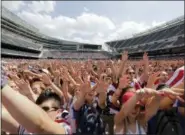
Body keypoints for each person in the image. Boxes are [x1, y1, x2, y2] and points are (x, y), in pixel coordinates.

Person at [1, 71, 71, 134]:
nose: (41, 113)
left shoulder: (65, 126)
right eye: (39, 109)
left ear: (58, 112)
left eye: (46, 109)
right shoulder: (27, 128)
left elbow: (42, 126)